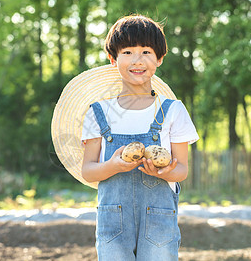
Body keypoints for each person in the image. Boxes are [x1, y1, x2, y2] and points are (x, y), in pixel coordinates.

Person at [81, 15, 199, 261]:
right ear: (113, 59)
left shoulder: (172, 110)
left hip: (158, 221)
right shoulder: (98, 112)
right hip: (113, 222)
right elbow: (88, 171)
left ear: (159, 58)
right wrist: (112, 166)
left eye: (146, 51)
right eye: (127, 52)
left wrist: (163, 172)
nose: (137, 60)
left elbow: (182, 170)